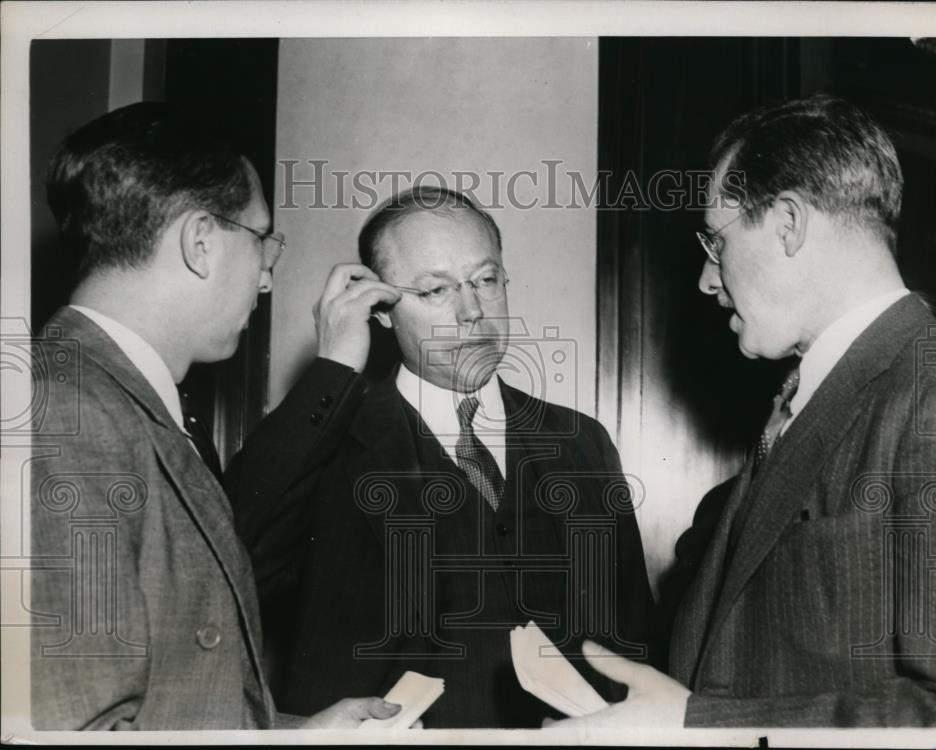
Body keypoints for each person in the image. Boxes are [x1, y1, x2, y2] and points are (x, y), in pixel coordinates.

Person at [546, 95, 936, 728]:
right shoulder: (804, 401)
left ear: (788, 223)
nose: (706, 280)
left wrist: (693, 723)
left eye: (716, 240)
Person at [227, 187, 658, 728]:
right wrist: (332, 369)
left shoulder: (580, 442)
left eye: (485, 280)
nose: (472, 310)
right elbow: (228, 554)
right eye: (436, 290)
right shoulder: (332, 443)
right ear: (381, 310)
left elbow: (636, 644)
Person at [30, 102, 400, 730]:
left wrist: (295, 736)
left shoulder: (117, 400)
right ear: (201, 241)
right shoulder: (65, 414)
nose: (263, 279)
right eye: (262, 240)